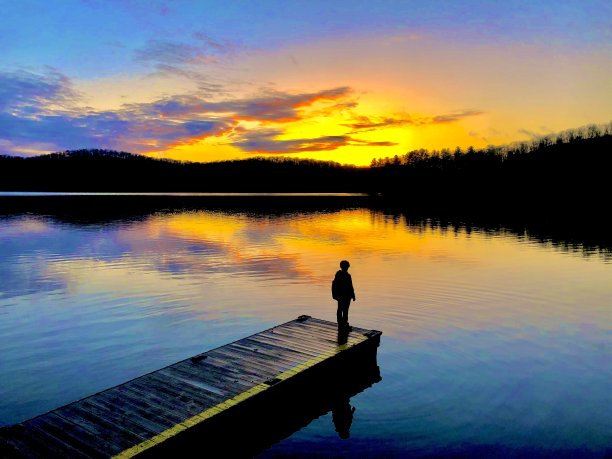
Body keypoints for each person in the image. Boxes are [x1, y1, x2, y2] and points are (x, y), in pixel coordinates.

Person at [332, 260, 356, 329]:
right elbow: (336, 285)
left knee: (345, 310)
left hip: (347, 296)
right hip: (341, 296)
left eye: (347, 266)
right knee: (341, 309)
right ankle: (341, 324)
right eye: (346, 266)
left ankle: (344, 323)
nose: (347, 268)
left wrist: (353, 295)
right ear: (342, 267)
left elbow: (351, 286)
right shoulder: (339, 275)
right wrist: (336, 295)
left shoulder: (348, 275)